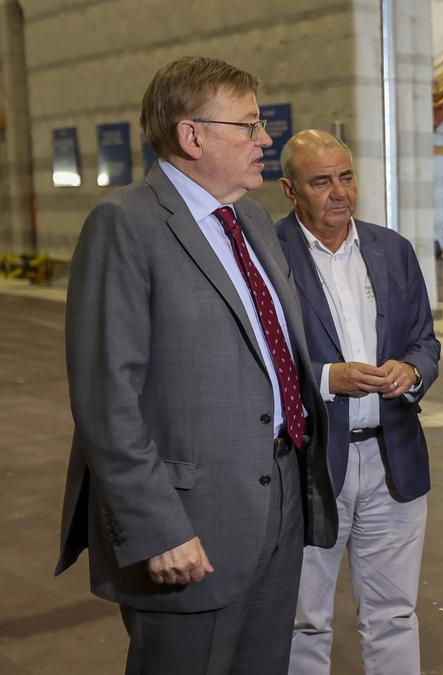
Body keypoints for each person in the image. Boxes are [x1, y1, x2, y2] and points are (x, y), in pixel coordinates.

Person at [55, 56, 337, 674]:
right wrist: (156, 526)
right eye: (250, 125)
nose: (267, 139)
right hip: (191, 518)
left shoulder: (252, 219)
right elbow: (106, 400)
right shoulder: (125, 224)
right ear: (193, 135)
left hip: (279, 497)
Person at [276, 130, 439, 674]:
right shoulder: (267, 257)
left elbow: (425, 340)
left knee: (395, 614)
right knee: (303, 620)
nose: (339, 192)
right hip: (310, 465)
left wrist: (412, 370)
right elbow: (255, 361)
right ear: (289, 189)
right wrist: (326, 378)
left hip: (393, 457)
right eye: (321, 181)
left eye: (346, 176)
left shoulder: (390, 248)